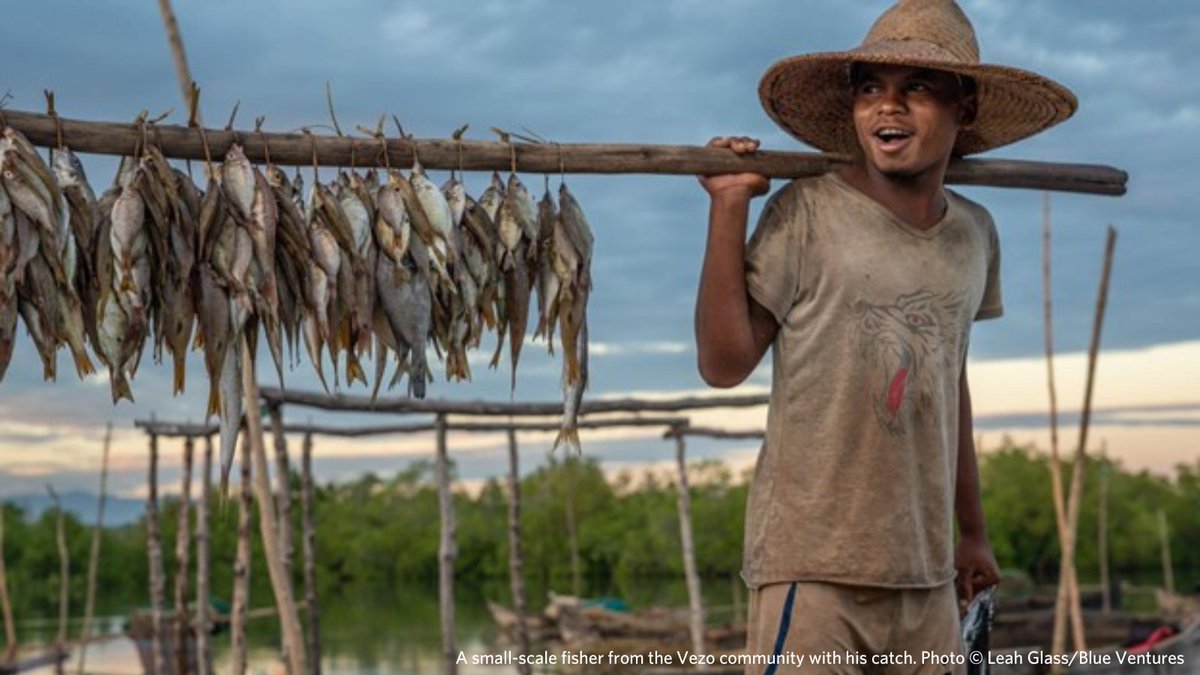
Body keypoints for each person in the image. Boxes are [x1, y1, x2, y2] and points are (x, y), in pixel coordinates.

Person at [694, 1, 1076, 672]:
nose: (887, 107)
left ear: (967, 108)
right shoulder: (808, 211)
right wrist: (729, 208)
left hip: (926, 571)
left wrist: (974, 532)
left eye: (916, 89)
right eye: (870, 88)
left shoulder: (974, 234)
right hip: (811, 566)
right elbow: (723, 363)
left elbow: (947, 383)